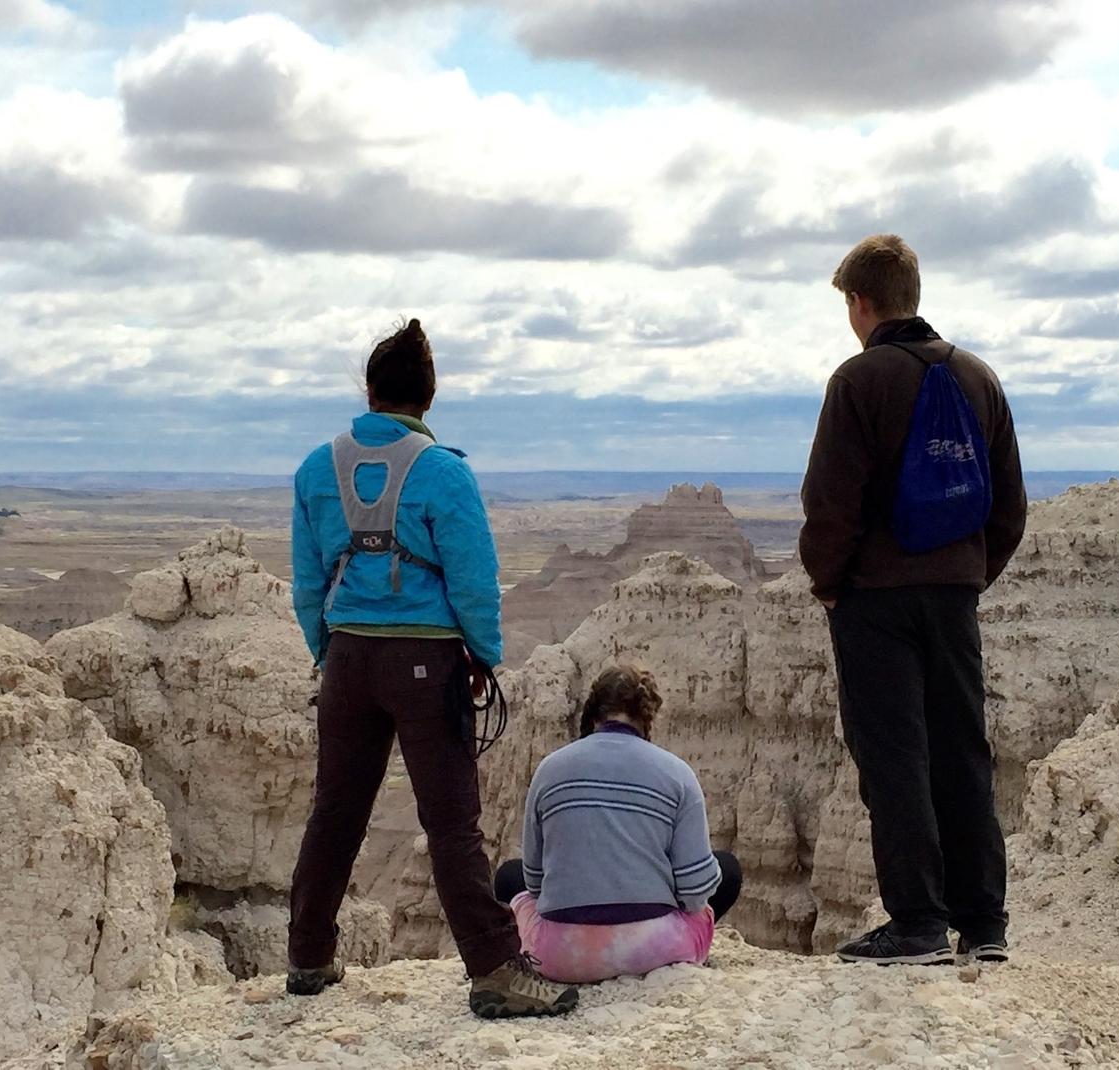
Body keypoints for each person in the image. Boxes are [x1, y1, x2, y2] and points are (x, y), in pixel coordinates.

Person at [287, 318, 577, 1018]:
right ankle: (496, 970)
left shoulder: (314, 469)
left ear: (368, 391)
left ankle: (307, 958)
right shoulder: (444, 472)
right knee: (451, 821)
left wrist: (327, 653)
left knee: (335, 813)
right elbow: (475, 578)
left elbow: (306, 580)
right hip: (425, 659)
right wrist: (482, 653)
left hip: (348, 658)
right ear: (428, 397)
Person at [800, 235, 1027, 966]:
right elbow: (1010, 505)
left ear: (860, 303)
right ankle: (984, 925)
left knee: (893, 757)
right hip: (955, 595)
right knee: (963, 751)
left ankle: (919, 923)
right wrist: (968, 574)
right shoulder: (979, 378)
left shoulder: (858, 381)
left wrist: (830, 585)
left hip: (875, 601)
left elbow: (830, 505)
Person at [492, 665, 743, 983]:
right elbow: (695, 892)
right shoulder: (678, 774)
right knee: (727, 870)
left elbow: (536, 881)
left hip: (561, 956)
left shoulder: (549, 769)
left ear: (593, 713)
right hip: (655, 951)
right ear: (647, 717)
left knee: (508, 877)